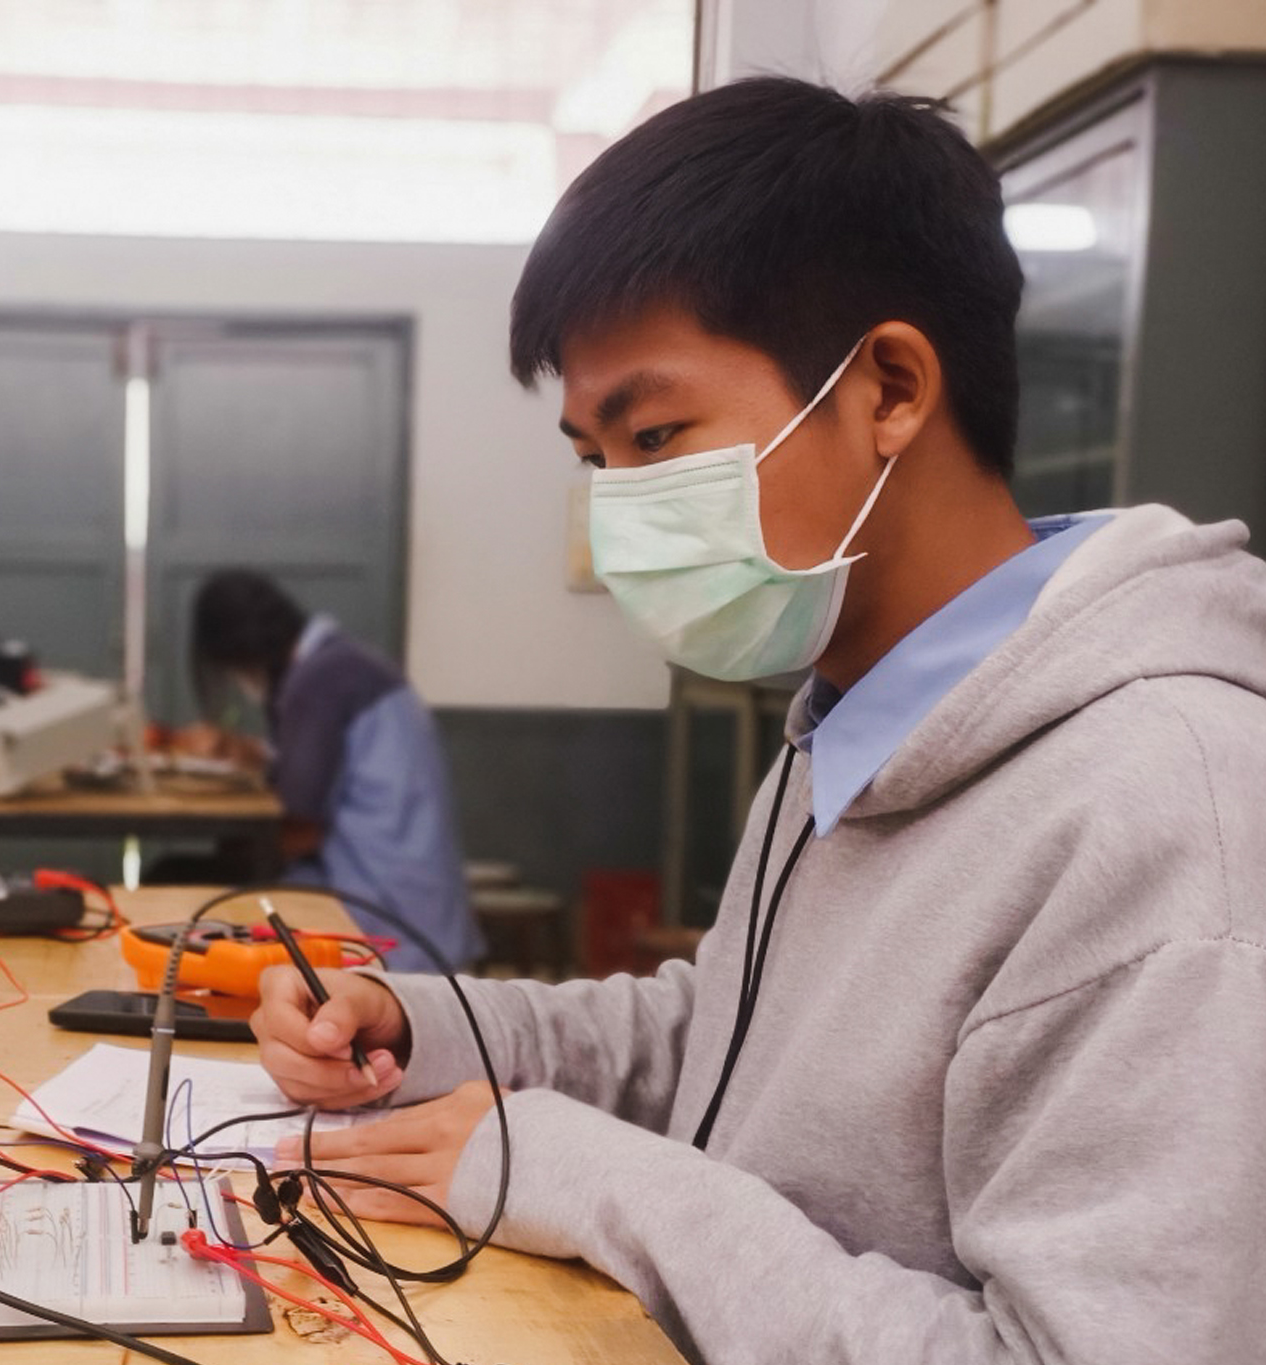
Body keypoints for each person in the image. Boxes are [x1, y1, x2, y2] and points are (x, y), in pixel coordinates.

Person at [250, 78, 1266, 1363]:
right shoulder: (852, 715)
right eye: (591, 458)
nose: (618, 511)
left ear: (887, 388)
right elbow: (724, 1043)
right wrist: (428, 1026)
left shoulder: (1164, 808)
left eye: (656, 434)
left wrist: (586, 1178)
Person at [182, 569, 482, 974]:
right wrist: (249, 752)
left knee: (196, 896)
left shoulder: (319, 680)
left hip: (386, 914)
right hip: (426, 907)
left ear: (240, 653)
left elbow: (302, 830)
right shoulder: (348, 662)